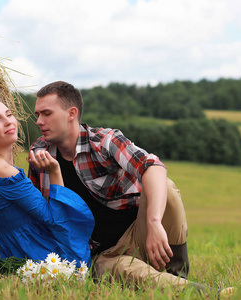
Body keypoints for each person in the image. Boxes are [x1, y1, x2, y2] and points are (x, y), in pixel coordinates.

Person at [28, 81, 198, 290]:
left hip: (139, 231)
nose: (38, 121)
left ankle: (178, 270)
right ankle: (207, 293)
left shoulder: (103, 142)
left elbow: (153, 166)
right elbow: (39, 211)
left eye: (46, 113)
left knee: (167, 187)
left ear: (71, 113)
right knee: (138, 276)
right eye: (37, 114)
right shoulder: (39, 153)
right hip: (103, 254)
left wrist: (154, 222)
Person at [0, 92, 94, 265]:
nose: (8, 121)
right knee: (79, 257)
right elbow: (55, 220)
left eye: (9, 114)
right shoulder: (5, 173)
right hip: (36, 254)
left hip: (15, 252)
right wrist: (54, 170)